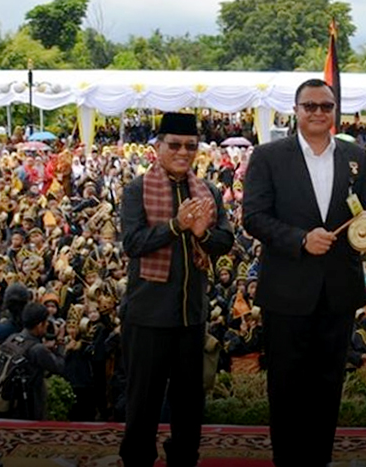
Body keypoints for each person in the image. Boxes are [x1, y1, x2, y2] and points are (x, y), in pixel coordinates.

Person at [242, 79, 366, 467]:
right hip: (287, 289)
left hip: (339, 288)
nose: (319, 113)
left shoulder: (356, 157)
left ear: (335, 110)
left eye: (326, 106)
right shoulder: (269, 156)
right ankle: (288, 461)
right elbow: (253, 217)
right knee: (286, 384)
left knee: (328, 384)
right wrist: (300, 239)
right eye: (310, 106)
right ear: (296, 110)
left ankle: (319, 459)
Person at [118, 112, 235, 467]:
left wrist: (201, 232)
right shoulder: (137, 189)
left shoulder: (208, 191)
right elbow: (133, 243)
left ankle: (183, 458)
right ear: (158, 147)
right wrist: (175, 225)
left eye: (190, 146)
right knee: (144, 399)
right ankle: (137, 458)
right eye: (175, 145)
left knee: (189, 400)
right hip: (147, 314)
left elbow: (225, 241)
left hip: (191, 315)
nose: (183, 152)